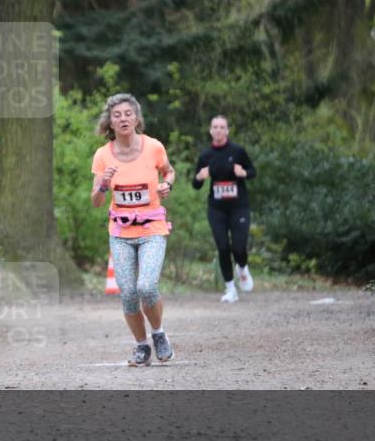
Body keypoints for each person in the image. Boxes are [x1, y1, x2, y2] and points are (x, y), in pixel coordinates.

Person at [91, 94, 175, 367]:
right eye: (117, 115)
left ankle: (159, 333)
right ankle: (142, 346)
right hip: (120, 232)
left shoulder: (153, 147)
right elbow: (96, 201)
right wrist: (103, 184)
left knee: (147, 287)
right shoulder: (103, 155)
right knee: (128, 293)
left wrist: (167, 185)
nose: (123, 118)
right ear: (110, 122)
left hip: (152, 228)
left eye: (128, 113)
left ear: (137, 119)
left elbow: (169, 172)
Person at [192, 115, 257, 303]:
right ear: (210, 130)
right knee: (222, 247)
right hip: (217, 208)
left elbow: (253, 171)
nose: (219, 130)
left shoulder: (238, 151)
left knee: (238, 246)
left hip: (239, 207)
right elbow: (195, 184)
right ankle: (230, 289)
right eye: (215, 127)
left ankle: (242, 268)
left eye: (222, 127)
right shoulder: (206, 155)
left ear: (227, 130)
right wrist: (200, 177)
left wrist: (243, 173)